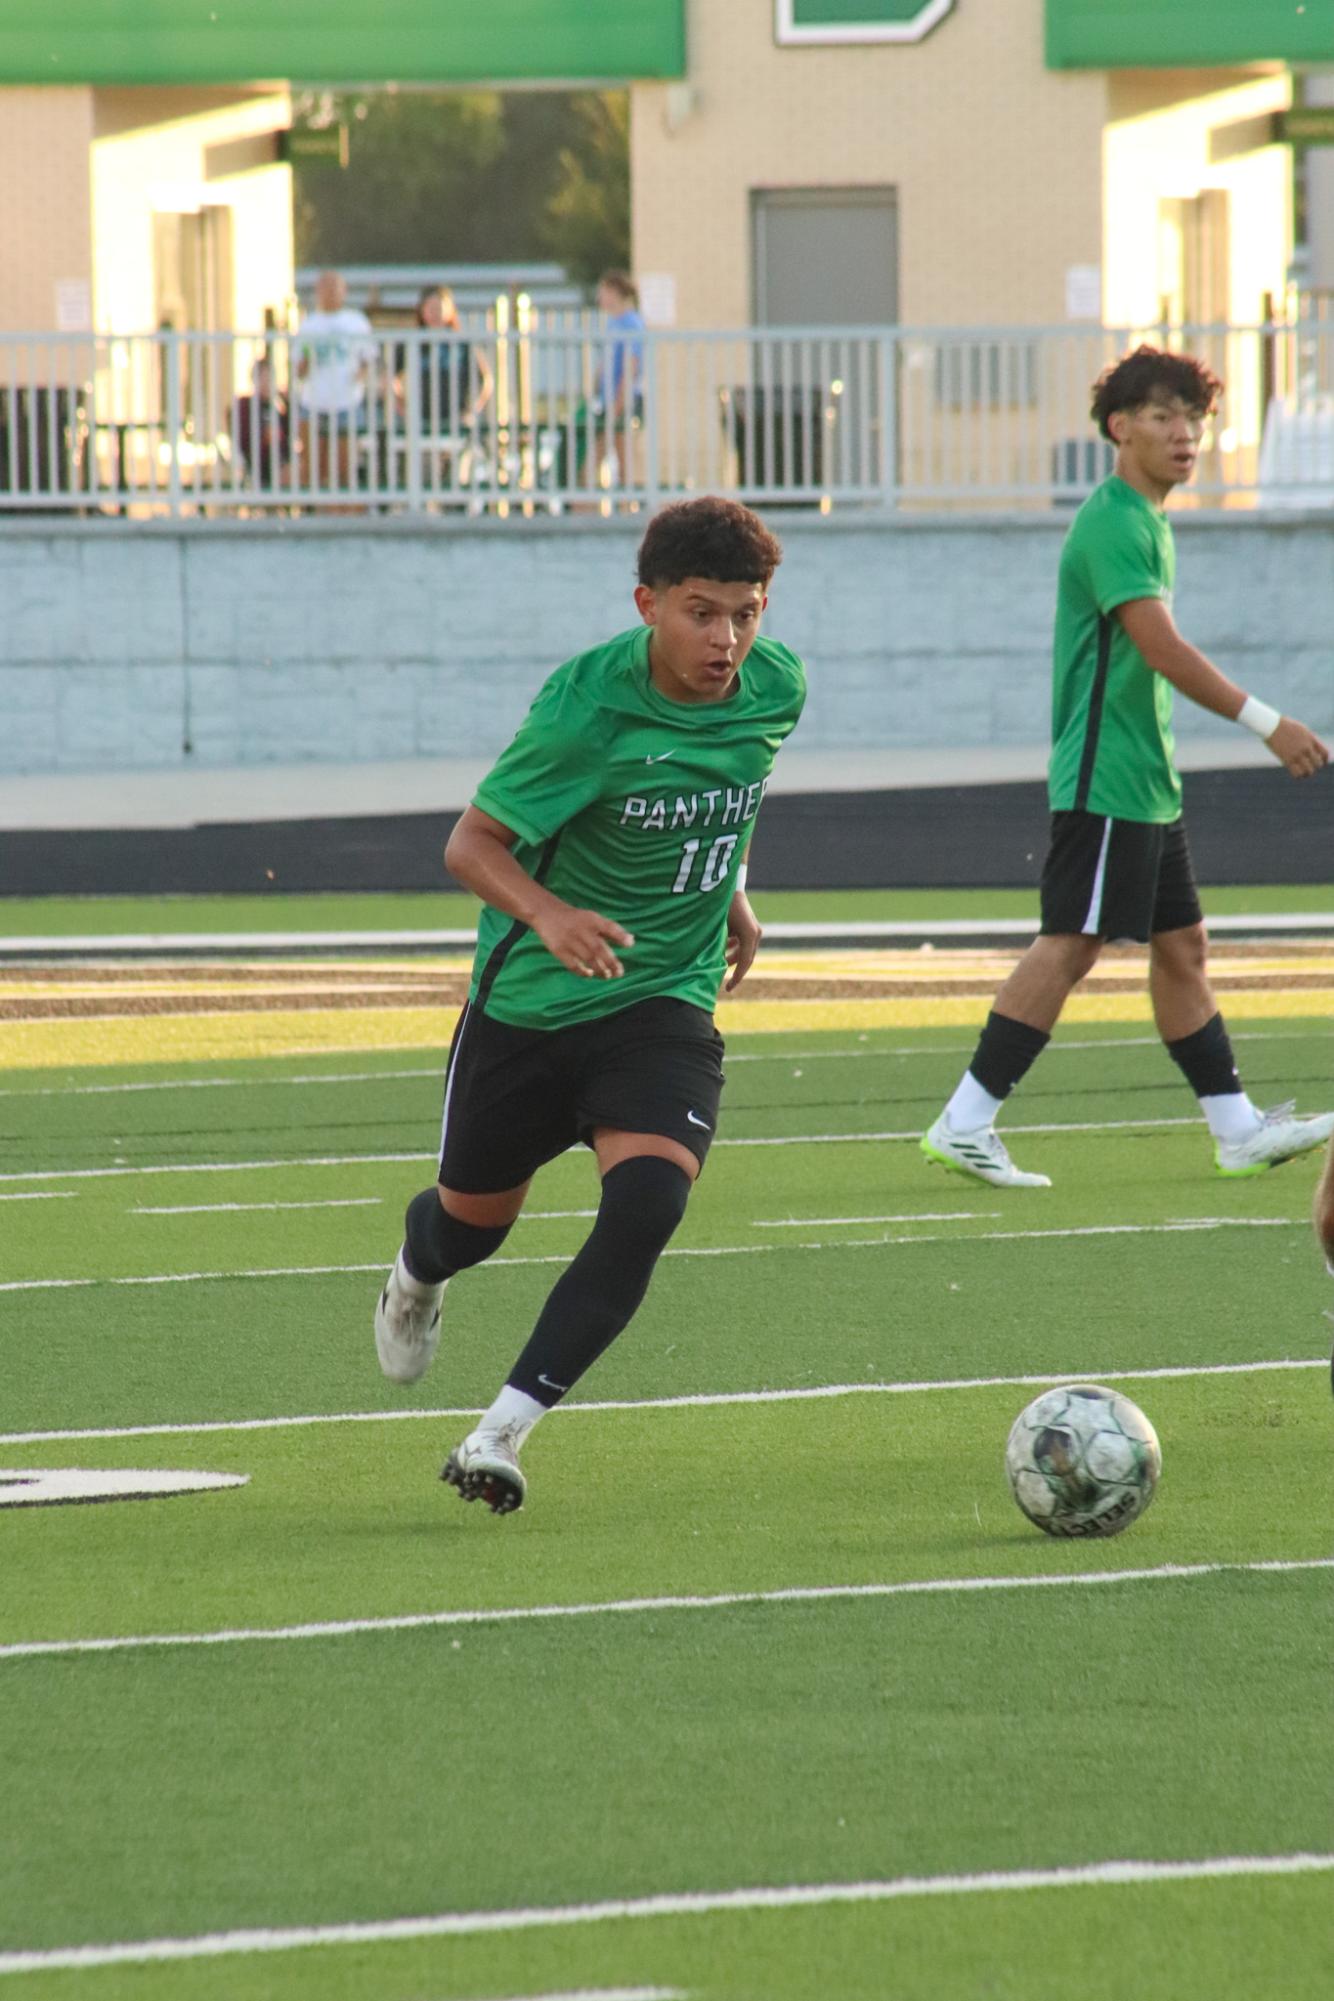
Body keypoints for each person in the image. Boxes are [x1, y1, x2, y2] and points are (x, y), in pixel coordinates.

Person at [372, 496, 804, 1516]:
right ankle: (415, 1272)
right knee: (470, 1228)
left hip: (662, 995)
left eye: (745, 613)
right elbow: (468, 846)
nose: (727, 639)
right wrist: (552, 915)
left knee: (649, 1201)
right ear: (646, 603)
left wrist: (731, 888)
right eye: (702, 613)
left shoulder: (774, 689)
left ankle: (499, 1433)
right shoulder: (584, 708)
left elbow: (730, 786)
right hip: (531, 1002)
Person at [923, 344, 1333, 1189]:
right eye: (1162, 417)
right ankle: (965, 1119)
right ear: (1120, 428)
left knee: (1184, 946)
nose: (1185, 435)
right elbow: (1161, 648)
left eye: (1194, 419)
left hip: (1145, 782)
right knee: (1071, 944)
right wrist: (1268, 722)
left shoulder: (1146, 518)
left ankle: (1235, 1129)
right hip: (1106, 779)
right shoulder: (1113, 520)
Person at [292, 270, 376, 504]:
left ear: (344, 291)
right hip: (314, 402)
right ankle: (317, 512)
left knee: (345, 467)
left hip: (346, 402)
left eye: (334, 287)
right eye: (324, 287)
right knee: (314, 466)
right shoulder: (309, 325)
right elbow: (299, 368)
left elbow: (368, 359)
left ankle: (345, 511)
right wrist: (306, 363)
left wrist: (358, 379)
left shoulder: (356, 322)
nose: (329, 293)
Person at [582, 269, 646, 497]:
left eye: (604, 292)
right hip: (608, 401)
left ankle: (626, 509)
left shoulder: (632, 324)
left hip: (623, 401)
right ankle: (591, 509)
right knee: (598, 460)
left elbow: (631, 367)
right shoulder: (613, 324)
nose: (600, 298)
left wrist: (619, 403)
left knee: (620, 459)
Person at [232, 355, 291, 491]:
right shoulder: (246, 405)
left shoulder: (276, 407)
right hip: (259, 464)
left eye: (270, 378)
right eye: (262, 378)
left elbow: (289, 435)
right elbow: (245, 440)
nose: (266, 383)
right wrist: (265, 438)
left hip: (281, 461)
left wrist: (288, 404)